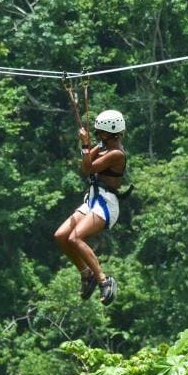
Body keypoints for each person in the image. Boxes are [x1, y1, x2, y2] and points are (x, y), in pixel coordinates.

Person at [53, 109, 126, 304]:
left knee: (76, 237)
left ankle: (104, 280)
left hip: (106, 203)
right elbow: (84, 163)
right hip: (93, 199)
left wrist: (86, 144)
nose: (98, 136)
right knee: (61, 236)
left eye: (101, 133)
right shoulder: (103, 147)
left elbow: (88, 168)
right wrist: (88, 146)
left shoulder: (116, 154)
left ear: (112, 133)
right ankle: (87, 274)